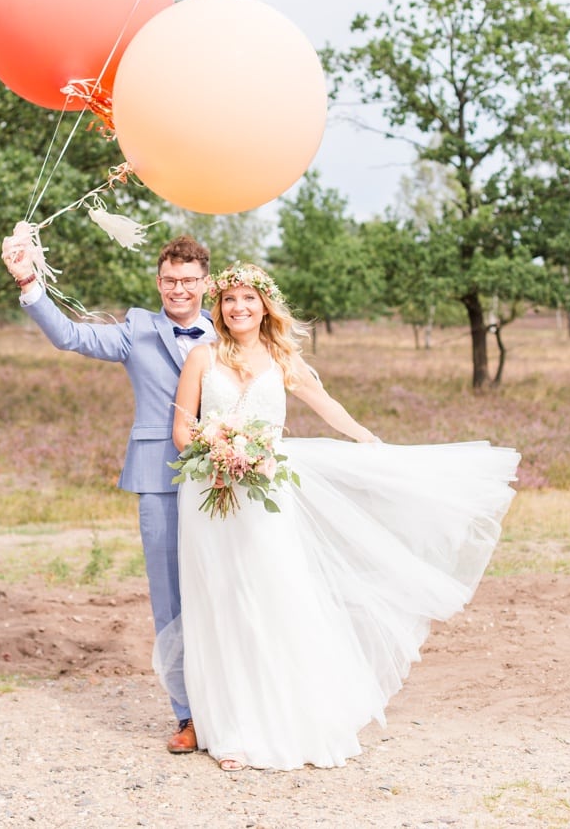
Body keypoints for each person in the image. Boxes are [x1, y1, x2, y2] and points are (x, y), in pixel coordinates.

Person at [165, 263, 519, 772]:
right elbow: (181, 431)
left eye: (248, 298)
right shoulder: (200, 356)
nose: (238, 308)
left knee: (269, 599)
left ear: (265, 305)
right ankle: (231, 730)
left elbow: (329, 409)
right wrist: (219, 457)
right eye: (228, 300)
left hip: (267, 497)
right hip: (210, 497)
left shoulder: (283, 359)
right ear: (218, 308)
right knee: (219, 602)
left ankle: (282, 720)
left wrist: (371, 443)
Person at [1, 230, 213, 754]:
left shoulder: (231, 329)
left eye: (188, 281)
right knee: (170, 598)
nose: (178, 289)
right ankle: (187, 716)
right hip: (157, 476)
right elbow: (71, 337)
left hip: (224, 481)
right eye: (169, 280)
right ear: (158, 281)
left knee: (223, 593)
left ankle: (232, 705)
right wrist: (29, 281)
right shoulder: (136, 330)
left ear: (206, 283)